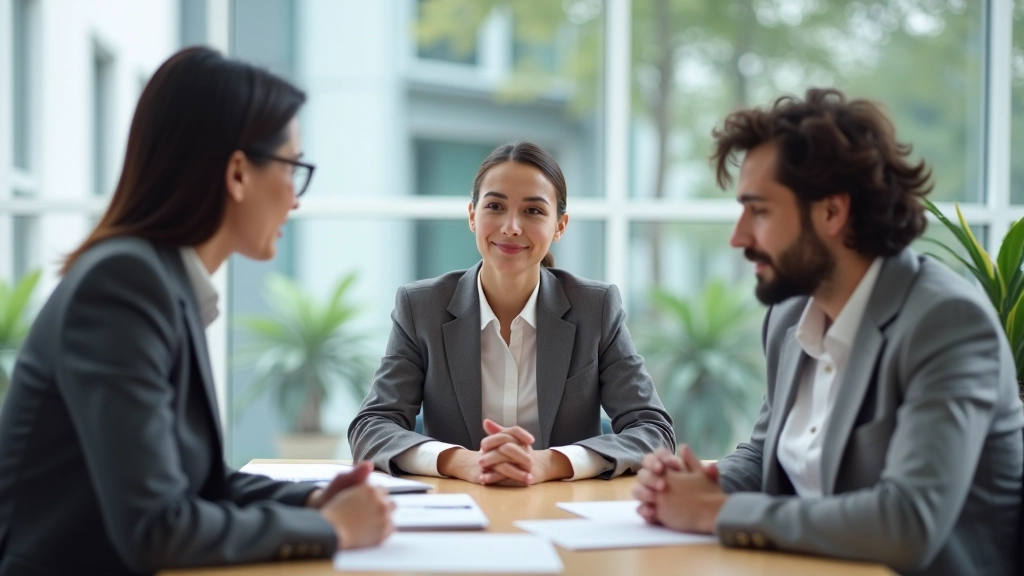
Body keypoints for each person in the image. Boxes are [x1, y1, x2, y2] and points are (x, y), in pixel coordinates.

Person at [0, 47, 393, 576]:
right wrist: (334, 530)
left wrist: (313, 503)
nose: (296, 199)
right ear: (237, 173)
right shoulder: (123, 285)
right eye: (293, 167)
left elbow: (200, 481)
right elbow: (157, 528)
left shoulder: (159, 279)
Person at [633, 88, 1024, 576]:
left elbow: (907, 524)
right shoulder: (791, 313)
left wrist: (713, 511)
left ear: (832, 213)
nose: (738, 238)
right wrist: (698, 483)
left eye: (760, 211)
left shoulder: (946, 324)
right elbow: (766, 454)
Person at [349, 141, 674, 485]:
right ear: (473, 215)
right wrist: (461, 461)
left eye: (533, 211)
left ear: (560, 225)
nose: (511, 227)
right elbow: (372, 427)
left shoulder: (595, 308)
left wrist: (552, 463)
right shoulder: (421, 307)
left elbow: (653, 431)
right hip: (457, 506)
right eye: (495, 206)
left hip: (562, 509)